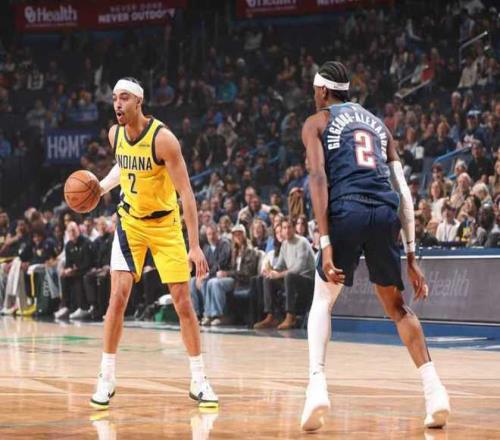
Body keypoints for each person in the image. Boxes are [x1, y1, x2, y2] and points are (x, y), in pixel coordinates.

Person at [300, 61, 450, 432]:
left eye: (315, 90)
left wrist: (325, 241)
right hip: (385, 212)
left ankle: (316, 386)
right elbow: (402, 189)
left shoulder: (316, 122)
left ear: (322, 91)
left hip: (347, 208)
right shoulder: (378, 125)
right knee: (397, 307)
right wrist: (411, 255)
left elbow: (318, 178)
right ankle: (436, 393)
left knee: (322, 299)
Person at [90, 77, 217, 410]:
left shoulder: (164, 140)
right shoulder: (114, 134)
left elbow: (186, 193)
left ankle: (199, 379)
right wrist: (101, 187)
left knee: (182, 302)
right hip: (130, 223)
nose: (118, 104)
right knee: (117, 298)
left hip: (165, 225)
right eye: (114, 98)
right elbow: (123, 166)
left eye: (124, 98)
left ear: (139, 102)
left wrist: (194, 245)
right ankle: (106, 377)